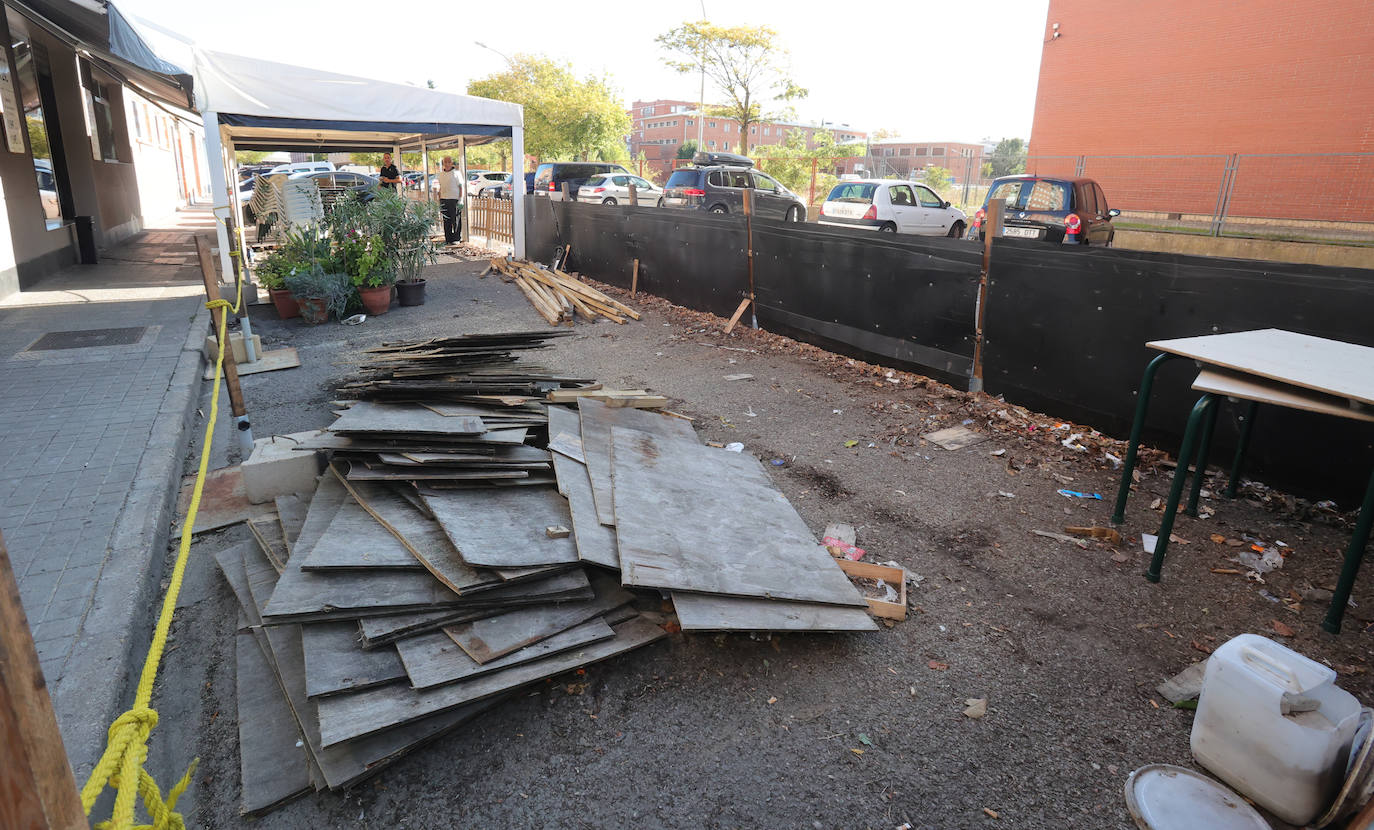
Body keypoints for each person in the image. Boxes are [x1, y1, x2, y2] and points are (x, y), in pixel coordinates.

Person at [437, 156, 463, 245]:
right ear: (443, 163)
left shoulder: (456, 173)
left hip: (454, 199)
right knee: (446, 220)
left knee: (455, 219)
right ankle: (448, 238)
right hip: (444, 199)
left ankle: (456, 238)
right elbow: (440, 187)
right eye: (445, 162)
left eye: (449, 162)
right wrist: (439, 199)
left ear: (452, 163)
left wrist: (461, 199)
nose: (447, 164)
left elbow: (461, 187)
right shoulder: (441, 174)